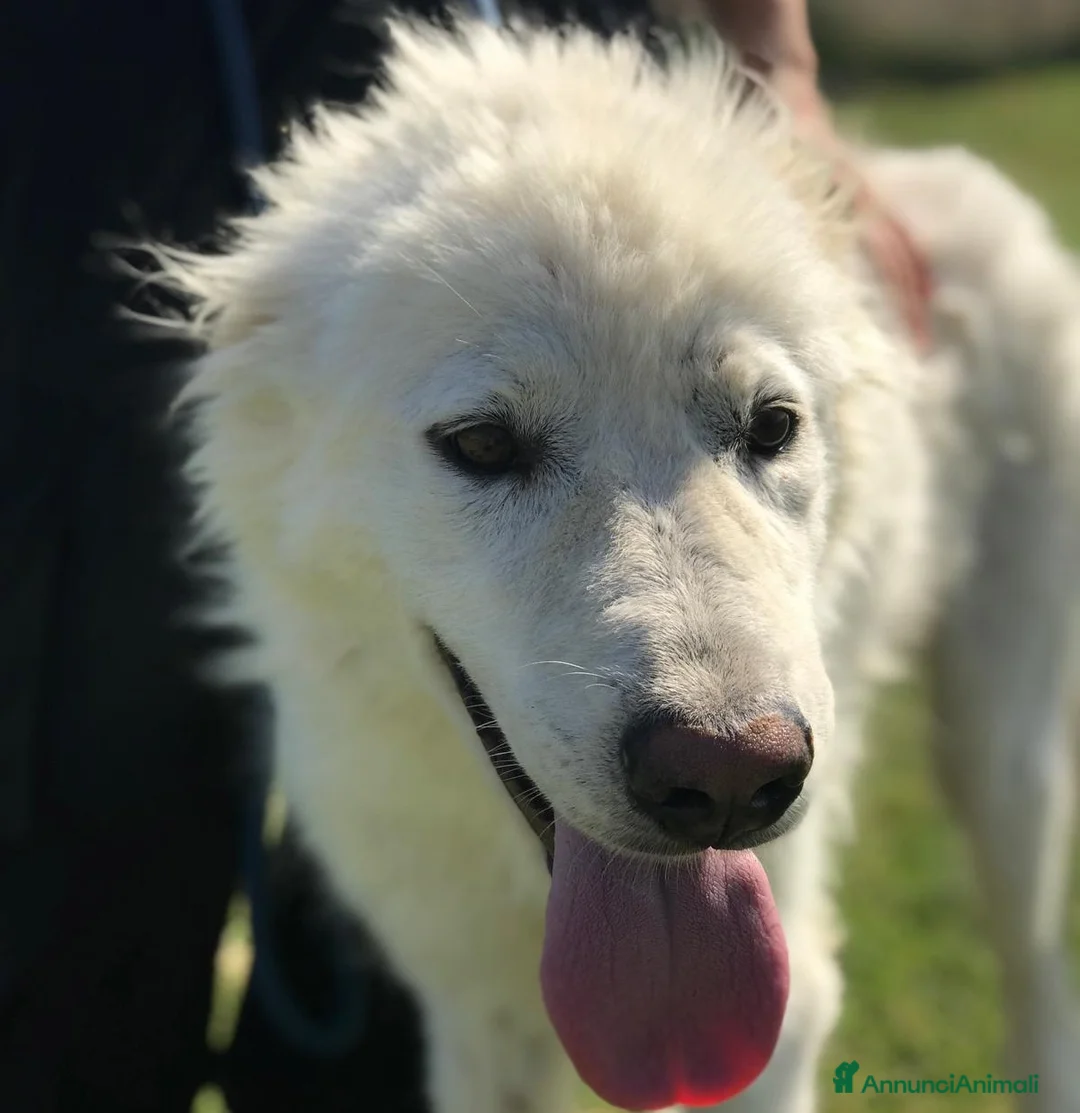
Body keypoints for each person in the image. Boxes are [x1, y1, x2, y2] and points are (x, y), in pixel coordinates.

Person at [0, 2, 928, 1112]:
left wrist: (774, 60)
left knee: (365, 1043)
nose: (725, 720)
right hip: (98, 98)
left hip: (557, 32)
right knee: (83, 839)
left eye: (766, 426)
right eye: (490, 444)